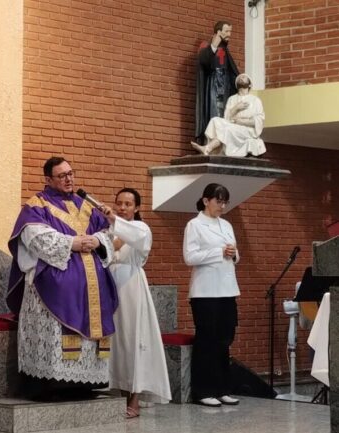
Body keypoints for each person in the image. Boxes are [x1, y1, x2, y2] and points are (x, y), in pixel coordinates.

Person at [6, 156, 118, 399]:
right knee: (56, 336)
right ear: (48, 179)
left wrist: (98, 240)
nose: (69, 179)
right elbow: (34, 237)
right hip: (54, 287)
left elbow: (108, 233)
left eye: (71, 173)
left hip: (91, 288)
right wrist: (73, 242)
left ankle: (84, 384)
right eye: (62, 175)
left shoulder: (86, 205)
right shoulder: (37, 205)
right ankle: (50, 384)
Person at [100, 188, 171, 418]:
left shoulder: (141, 228)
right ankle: (119, 394)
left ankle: (135, 399)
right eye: (119, 203)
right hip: (109, 283)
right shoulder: (108, 229)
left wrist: (113, 223)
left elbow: (127, 240)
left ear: (137, 207)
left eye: (128, 204)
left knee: (134, 340)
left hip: (131, 286)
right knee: (116, 341)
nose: (122, 207)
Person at [183, 183, 240, 407]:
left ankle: (222, 388)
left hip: (227, 289)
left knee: (225, 340)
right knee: (206, 341)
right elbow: (190, 257)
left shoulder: (226, 224)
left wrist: (234, 254)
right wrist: (219, 252)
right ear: (206, 201)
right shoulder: (194, 225)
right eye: (219, 201)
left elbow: (235, 254)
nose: (222, 205)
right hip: (205, 292)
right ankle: (203, 390)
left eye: (225, 202)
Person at [191, 74, 266, 157]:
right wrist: (236, 108)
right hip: (233, 124)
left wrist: (241, 121)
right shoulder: (231, 99)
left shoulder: (255, 100)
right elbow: (226, 118)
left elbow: (259, 121)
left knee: (227, 129)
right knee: (215, 120)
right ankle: (211, 147)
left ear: (250, 84)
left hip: (247, 130)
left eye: (244, 77)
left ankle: (208, 148)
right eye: (239, 78)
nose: (241, 78)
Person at [195, 20, 239, 144]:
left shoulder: (225, 50)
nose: (229, 34)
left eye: (230, 31)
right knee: (214, 112)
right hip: (212, 86)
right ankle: (210, 142)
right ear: (218, 32)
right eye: (226, 31)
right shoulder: (207, 46)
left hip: (225, 87)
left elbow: (232, 72)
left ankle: (221, 143)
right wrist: (213, 46)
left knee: (224, 114)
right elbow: (204, 61)